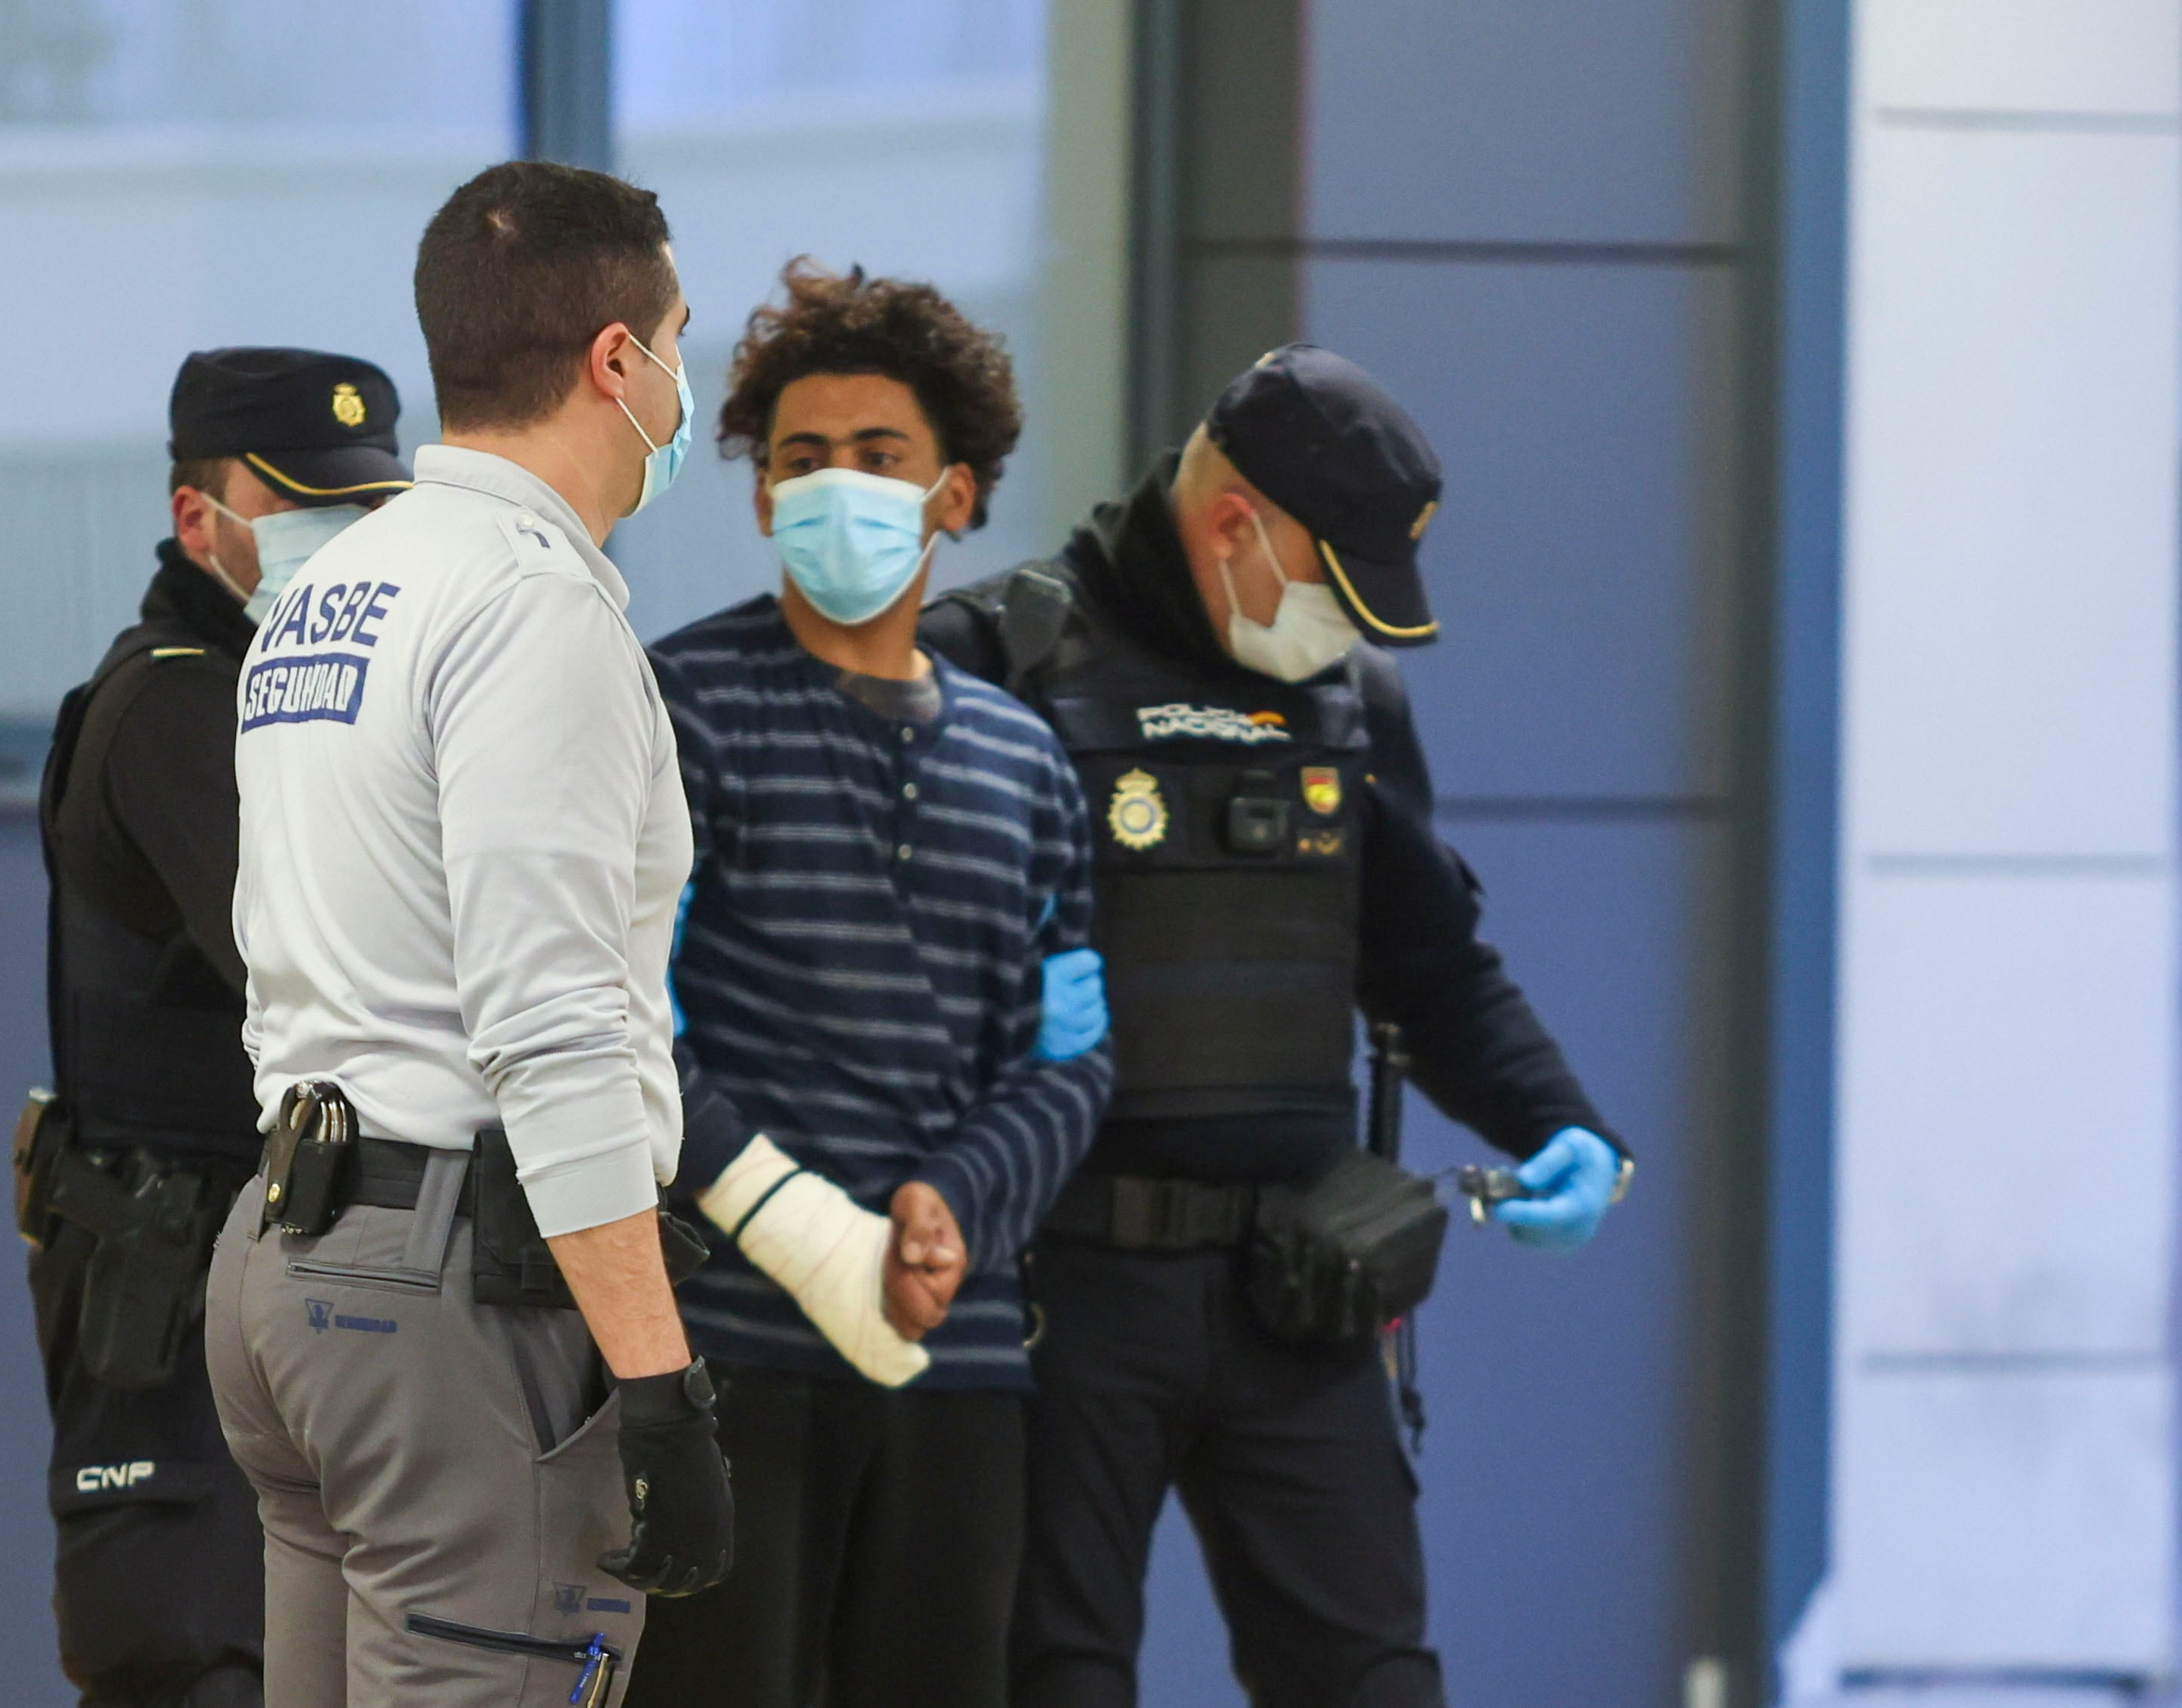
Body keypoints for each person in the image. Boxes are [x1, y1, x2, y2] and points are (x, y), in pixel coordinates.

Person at [922, 344, 1633, 1708]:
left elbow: (1431, 966)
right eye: (1336, 588)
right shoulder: (993, 661)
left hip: (1304, 1286)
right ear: (1235, 520)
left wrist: (1567, 1126)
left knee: (1373, 1681)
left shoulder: (1347, 703)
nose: (1345, 630)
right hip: (1057, 1295)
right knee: (1048, 1680)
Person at [203, 159, 732, 1708]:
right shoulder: (532, 607)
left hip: (292, 1265)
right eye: (679, 337)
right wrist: (657, 1379)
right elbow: (552, 1021)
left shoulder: (328, 592)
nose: (683, 382)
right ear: (615, 363)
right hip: (450, 1294)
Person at [626, 263, 1115, 1708]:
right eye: (802, 460)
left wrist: (953, 1207)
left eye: (879, 458)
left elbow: (1071, 1056)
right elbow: (627, 1030)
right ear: (765, 496)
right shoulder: (672, 709)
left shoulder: (1026, 764)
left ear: (955, 494)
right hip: (729, 1358)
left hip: (954, 1363)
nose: (839, 485)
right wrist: (815, 1239)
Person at [24, 345, 410, 1708]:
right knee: (193, 1666)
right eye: (312, 506)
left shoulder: (339, 706)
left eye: (373, 510)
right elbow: (324, 971)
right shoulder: (179, 704)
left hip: (316, 1283)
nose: (353, 542)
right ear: (203, 521)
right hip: (174, 1284)